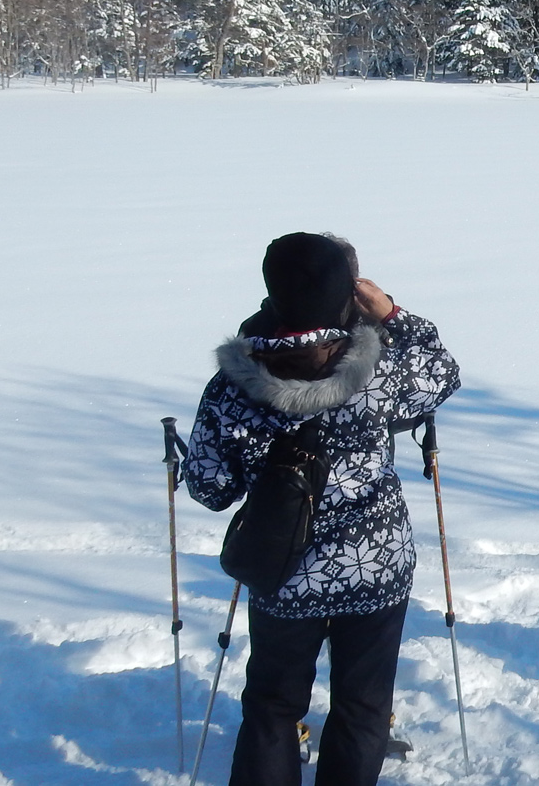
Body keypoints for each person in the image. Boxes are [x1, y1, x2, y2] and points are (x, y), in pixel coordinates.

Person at [183, 232, 460, 786]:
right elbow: (442, 372)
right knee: (362, 706)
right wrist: (393, 314)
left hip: (283, 571)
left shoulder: (232, 388)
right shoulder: (378, 375)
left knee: (273, 707)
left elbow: (210, 488)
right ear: (347, 292)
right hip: (374, 566)